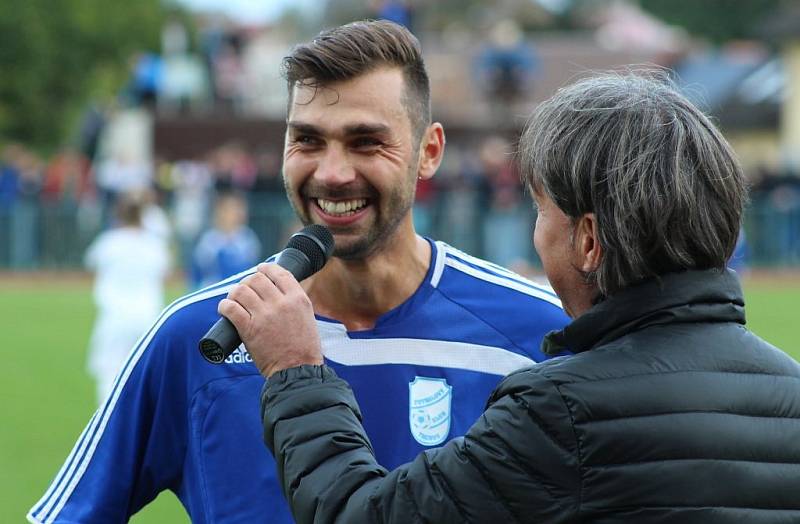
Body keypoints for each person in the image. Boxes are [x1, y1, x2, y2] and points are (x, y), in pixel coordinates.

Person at [28, 20, 569, 524]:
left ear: (428, 152)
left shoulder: (535, 336)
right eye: (307, 140)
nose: (331, 173)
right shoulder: (197, 337)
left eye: (366, 141)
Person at [239, 71, 800, 523]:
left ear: (587, 241)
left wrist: (296, 372)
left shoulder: (562, 411)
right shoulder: (790, 391)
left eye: (541, 211)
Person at [84, 192, 170, 404]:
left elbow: (91, 263)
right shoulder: (155, 245)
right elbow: (165, 270)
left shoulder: (108, 242)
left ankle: (109, 429)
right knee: (147, 376)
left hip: (115, 316)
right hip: (148, 316)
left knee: (108, 374)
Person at [190, 190, 261, 289]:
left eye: (239, 209)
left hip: (240, 289)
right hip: (214, 289)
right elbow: (198, 270)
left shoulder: (247, 238)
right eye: (231, 210)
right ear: (221, 212)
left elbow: (250, 267)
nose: (236, 213)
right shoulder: (209, 239)